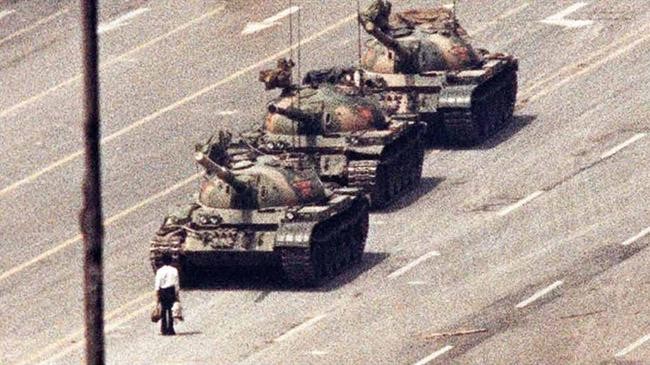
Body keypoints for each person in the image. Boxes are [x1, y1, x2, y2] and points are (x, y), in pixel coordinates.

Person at [155, 254, 179, 335]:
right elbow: (176, 283)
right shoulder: (174, 270)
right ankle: (171, 329)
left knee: (163, 310)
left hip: (163, 291)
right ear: (171, 260)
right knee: (171, 310)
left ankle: (163, 329)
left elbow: (157, 284)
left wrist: (157, 296)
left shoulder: (159, 271)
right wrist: (177, 294)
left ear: (162, 261)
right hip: (171, 291)